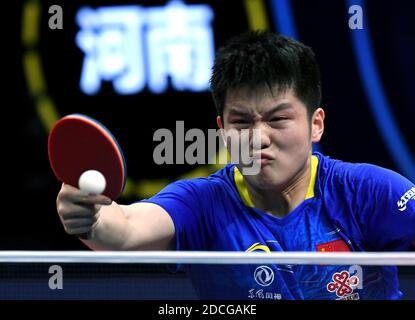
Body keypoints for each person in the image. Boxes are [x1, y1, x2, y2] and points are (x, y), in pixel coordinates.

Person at [56, 31, 415, 300]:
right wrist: (92, 218)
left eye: (277, 119)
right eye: (241, 122)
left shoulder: (366, 191)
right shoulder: (201, 203)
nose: (257, 138)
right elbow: (127, 229)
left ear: (316, 124)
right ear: (222, 131)